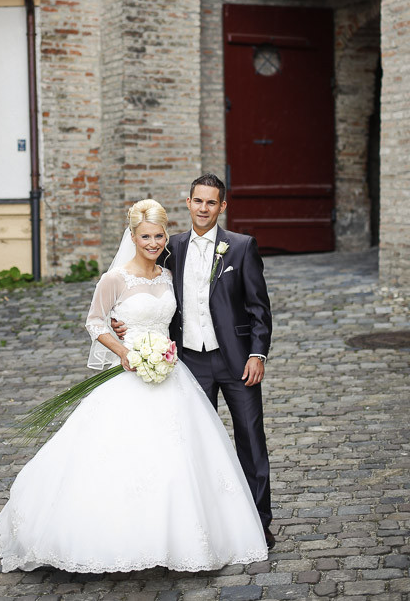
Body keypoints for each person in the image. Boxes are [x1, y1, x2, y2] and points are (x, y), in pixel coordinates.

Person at [0, 198, 268, 573]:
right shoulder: (115, 278)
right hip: (131, 374)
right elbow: (94, 321)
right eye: (145, 237)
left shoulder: (168, 274)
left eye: (158, 236)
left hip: (172, 375)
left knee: (179, 461)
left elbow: (181, 316)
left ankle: (178, 537)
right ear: (133, 236)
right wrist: (123, 349)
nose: (153, 243)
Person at [112, 175, 274, 549]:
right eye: (198, 201)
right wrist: (125, 323)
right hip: (187, 363)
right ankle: (209, 523)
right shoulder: (171, 248)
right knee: (197, 445)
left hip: (236, 362)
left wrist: (257, 353)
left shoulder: (242, 247)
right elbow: (149, 290)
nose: (204, 208)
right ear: (188, 203)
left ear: (222, 207)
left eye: (211, 203)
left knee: (251, 439)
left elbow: (258, 308)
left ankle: (260, 522)